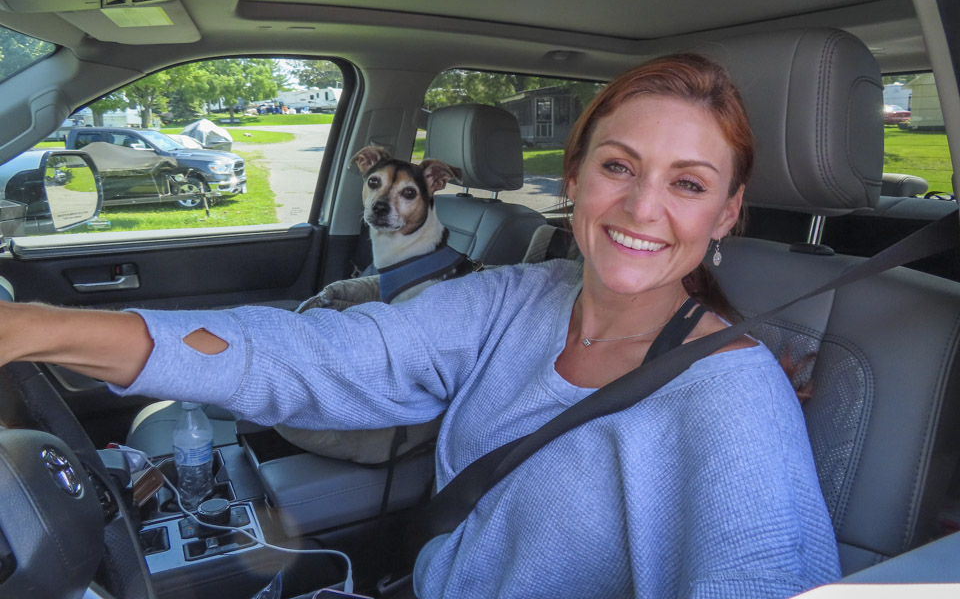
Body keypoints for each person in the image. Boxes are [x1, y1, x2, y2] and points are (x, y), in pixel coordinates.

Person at [0, 54, 841, 598]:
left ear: (725, 213)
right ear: (575, 178)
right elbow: (317, 355)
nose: (643, 207)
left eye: (688, 184)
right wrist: (32, 328)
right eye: (619, 166)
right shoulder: (514, 298)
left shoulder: (733, 399)